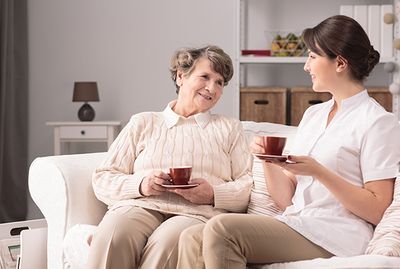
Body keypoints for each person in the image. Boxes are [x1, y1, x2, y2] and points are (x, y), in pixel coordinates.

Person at [177, 15, 400, 268]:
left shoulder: (378, 122)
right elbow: (287, 200)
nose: (306, 66)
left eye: (312, 57)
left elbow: (377, 208)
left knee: (221, 229)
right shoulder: (314, 115)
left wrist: (319, 171)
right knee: (191, 237)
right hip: (297, 222)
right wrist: (268, 161)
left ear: (339, 63)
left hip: (337, 235)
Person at [86, 45, 253, 269]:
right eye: (204, 77)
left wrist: (212, 194)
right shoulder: (143, 122)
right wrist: (142, 185)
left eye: (219, 82)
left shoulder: (230, 128)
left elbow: (247, 186)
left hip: (196, 214)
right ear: (181, 76)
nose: (211, 88)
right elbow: (103, 178)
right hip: (140, 206)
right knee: (113, 234)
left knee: (167, 243)